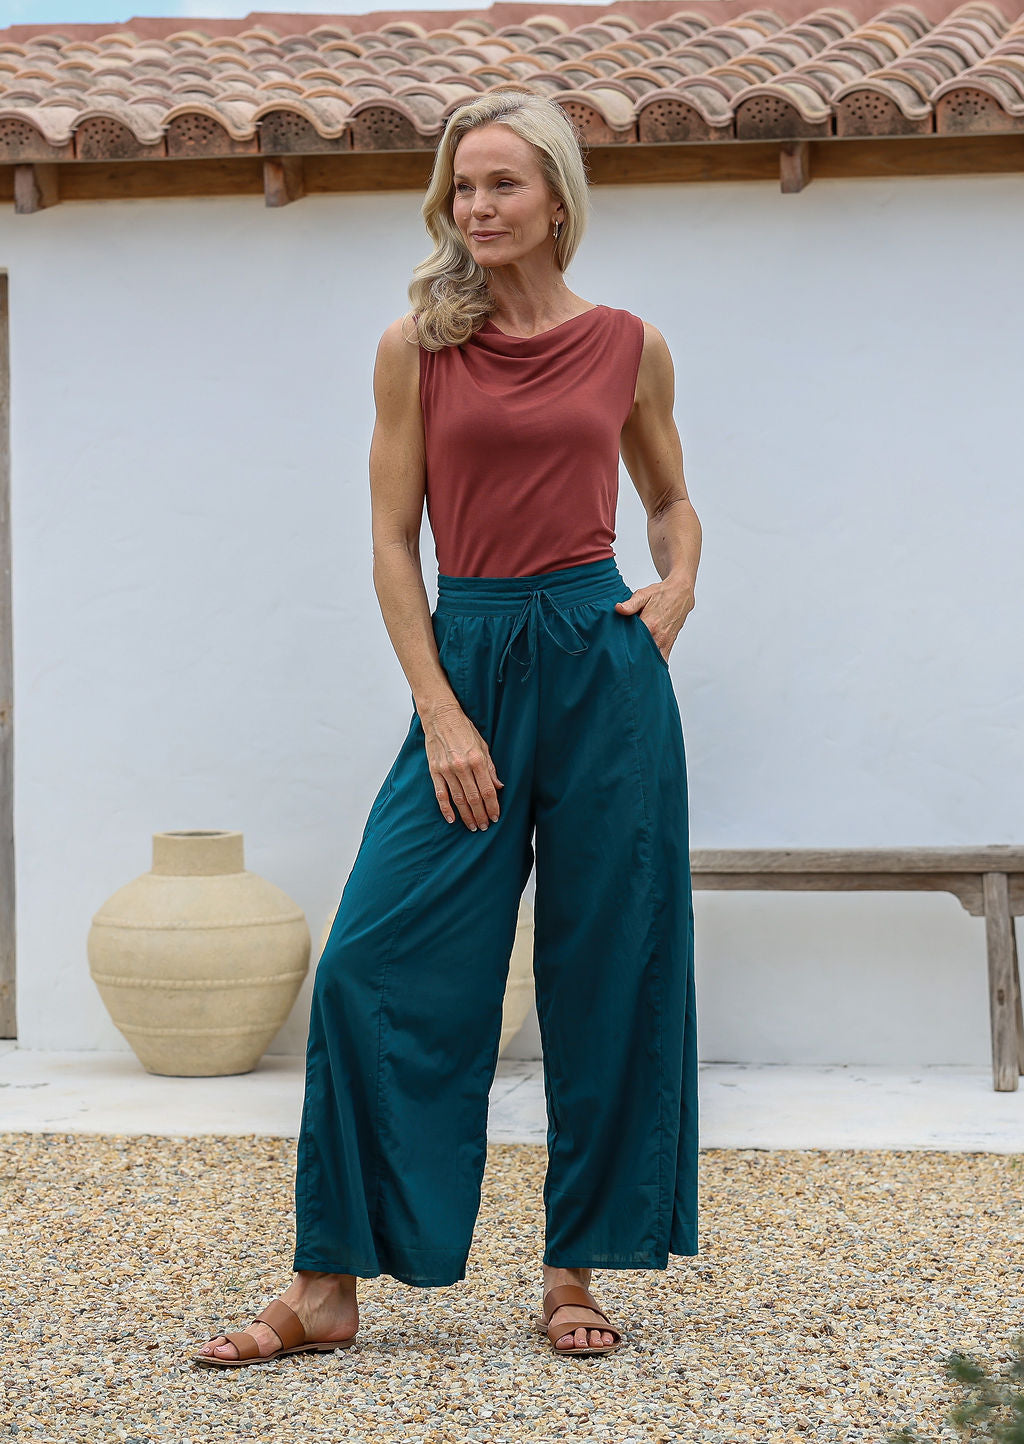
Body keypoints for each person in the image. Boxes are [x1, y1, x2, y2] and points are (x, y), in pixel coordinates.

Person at [193, 85, 701, 1368]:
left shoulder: (630, 344)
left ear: (556, 201)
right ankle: (326, 1283)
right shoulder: (414, 347)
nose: (474, 207)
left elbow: (670, 499)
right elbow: (389, 541)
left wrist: (680, 583)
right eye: (460, 187)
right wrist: (439, 710)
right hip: (466, 659)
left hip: (601, 665)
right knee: (370, 959)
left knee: (610, 963)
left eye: (500, 184)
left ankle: (575, 1267)